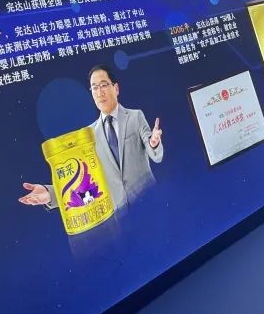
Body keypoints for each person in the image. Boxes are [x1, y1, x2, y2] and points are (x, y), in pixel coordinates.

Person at [19, 66, 164, 210]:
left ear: (116, 88)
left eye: (104, 85)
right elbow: (82, 181)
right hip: (120, 214)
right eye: (94, 88)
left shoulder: (135, 117)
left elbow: (156, 156)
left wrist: (154, 143)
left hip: (151, 203)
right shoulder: (88, 135)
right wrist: (50, 194)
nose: (99, 93)